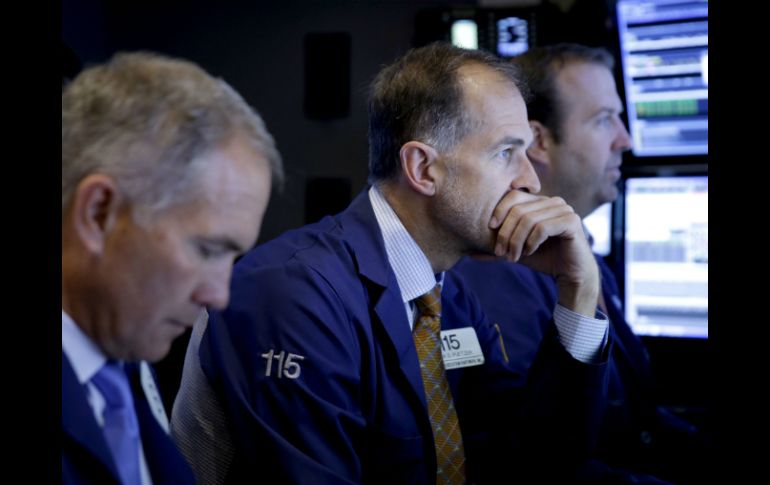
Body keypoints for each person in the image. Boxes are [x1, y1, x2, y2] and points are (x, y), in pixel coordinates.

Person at [171, 42, 611, 485]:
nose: (531, 181)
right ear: (422, 168)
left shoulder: (447, 294)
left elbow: (533, 463)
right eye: (505, 153)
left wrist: (578, 289)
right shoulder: (294, 293)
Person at [453, 43, 709, 484]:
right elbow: (543, 461)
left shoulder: (581, 254)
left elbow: (640, 422)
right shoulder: (498, 274)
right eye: (603, 119)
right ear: (538, 141)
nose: (625, 139)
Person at [62, 51, 283, 484]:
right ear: (99, 213)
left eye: (232, 258)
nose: (218, 296)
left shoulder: (120, 359)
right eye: (207, 250)